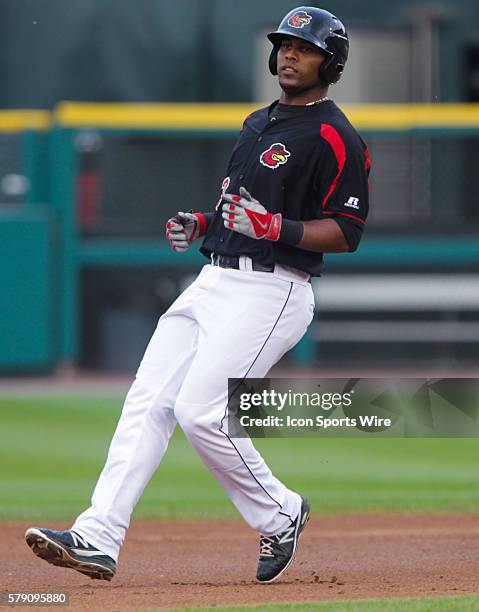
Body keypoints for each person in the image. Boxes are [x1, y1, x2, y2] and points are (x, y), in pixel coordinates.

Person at [25, 6, 370, 584]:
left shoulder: (335, 135)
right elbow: (239, 211)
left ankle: (281, 511)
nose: (289, 54)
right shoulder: (257, 123)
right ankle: (98, 536)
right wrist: (204, 225)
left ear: (329, 62)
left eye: (305, 48)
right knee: (148, 401)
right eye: (285, 43)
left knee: (200, 411)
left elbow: (347, 231)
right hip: (213, 280)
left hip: (274, 291)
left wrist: (273, 229)